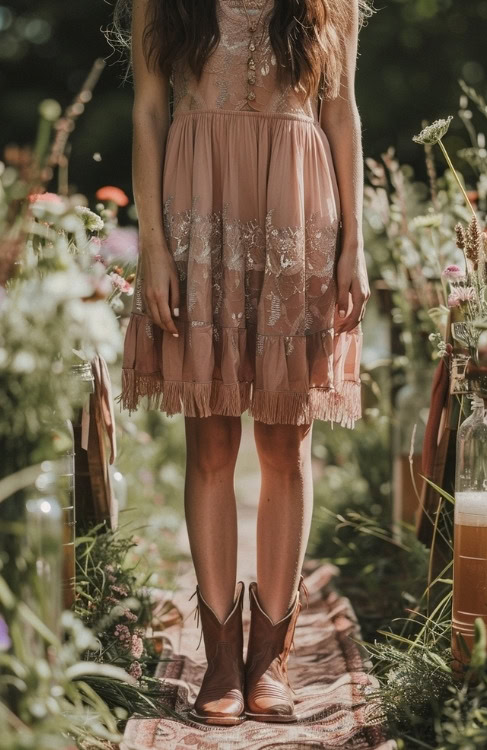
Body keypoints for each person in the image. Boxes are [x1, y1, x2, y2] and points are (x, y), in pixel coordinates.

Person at [115, 0, 374, 726]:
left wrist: (356, 243)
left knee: (287, 440)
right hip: (200, 213)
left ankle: (272, 658)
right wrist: (154, 249)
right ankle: (221, 659)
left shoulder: (331, 4)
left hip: (299, 219)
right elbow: (146, 113)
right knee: (213, 438)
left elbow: (343, 112)